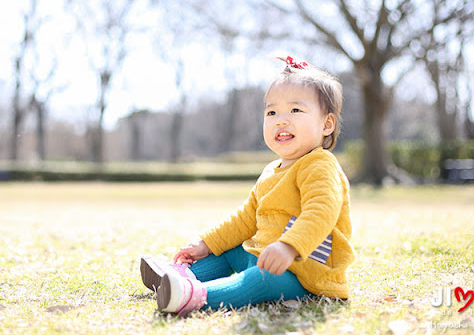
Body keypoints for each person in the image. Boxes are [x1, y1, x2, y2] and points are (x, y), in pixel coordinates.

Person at [140, 55, 354, 316]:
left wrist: (289, 246)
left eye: (295, 110)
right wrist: (206, 244)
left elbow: (321, 212)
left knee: (259, 280)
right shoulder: (272, 170)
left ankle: (197, 297)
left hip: (305, 272)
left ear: (327, 124)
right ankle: (180, 278)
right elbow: (245, 218)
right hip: (263, 255)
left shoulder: (320, 165)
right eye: (272, 112)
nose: (281, 120)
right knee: (230, 251)